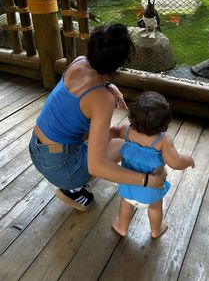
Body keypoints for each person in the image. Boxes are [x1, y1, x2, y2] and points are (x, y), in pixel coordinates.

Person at [29, 24, 166, 212]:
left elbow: (92, 81)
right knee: (123, 142)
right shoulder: (102, 99)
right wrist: (148, 180)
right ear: (119, 64)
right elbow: (96, 167)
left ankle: (72, 180)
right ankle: (73, 190)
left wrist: (110, 86)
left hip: (36, 149)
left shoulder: (78, 62)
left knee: (107, 134)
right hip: (61, 168)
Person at [110, 91, 195, 238]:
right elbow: (175, 162)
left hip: (128, 185)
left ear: (132, 116)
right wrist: (188, 160)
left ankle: (122, 227)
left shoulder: (127, 130)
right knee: (155, 209)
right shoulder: (163, 141)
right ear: (165, 122)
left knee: (125, 204)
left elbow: (114, 131)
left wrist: (107, 134)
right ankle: (156, 230)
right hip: (151, 191)